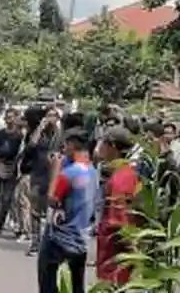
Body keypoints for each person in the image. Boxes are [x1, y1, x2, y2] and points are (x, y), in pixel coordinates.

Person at [38, 128, 97, 293]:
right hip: (83, 235)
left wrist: (55, 169)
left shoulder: (68, 173)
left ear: (73, 145)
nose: (63, 150)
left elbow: (52, 199)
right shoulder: (93, 171)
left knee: (47, 274)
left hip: (62, 235)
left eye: (65, 145)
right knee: (77, 282)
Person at [96, 126, 139, 288]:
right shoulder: (126, 173)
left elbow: (120, 222)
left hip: (115, 260)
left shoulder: (120, 179)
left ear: (112, 147)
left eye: (103, 143)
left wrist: (134, 253)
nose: (99, 148)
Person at [21, 106, 60, 257]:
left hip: (55, 177)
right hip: (38, 175)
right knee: (35, 210)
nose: (50, 118)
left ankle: (49, 243)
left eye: (53, 116)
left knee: (51, 211)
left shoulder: (59, 134)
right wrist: (40, 127)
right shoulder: (39, 133)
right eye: (48, 115)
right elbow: (30, 146)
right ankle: (36, 243)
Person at [0, 109, 23, 235]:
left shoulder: (19, 135)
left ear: (15, 118)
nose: (9, 120)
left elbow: (20, 153)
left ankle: (0, 225)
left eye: (11, 117)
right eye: (7, 117)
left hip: (12, 167)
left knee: (6, 198)